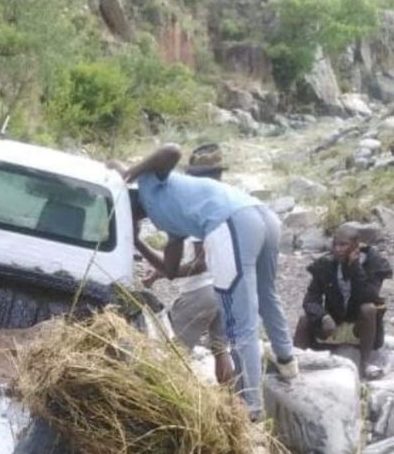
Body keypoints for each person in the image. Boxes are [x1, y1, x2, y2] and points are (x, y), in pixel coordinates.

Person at [116, 143, 297, 418]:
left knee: (239, 323)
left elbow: (172, 150)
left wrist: (130, 171)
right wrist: (137, 241)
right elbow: (171, 270)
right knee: (266, 294)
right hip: (261, 215)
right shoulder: (169, 218)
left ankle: (251, 407)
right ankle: (286, 361)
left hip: (231, 222)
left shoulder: (148, 182)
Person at [138, 144, 235, 385]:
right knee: (220, 349)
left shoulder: (200, 206)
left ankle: (173, 398)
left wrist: (141, 246)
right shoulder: (228, 205)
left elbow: (200, 263)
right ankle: (231, 401)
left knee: (175, 354)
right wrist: (160, 273)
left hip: (202, 292)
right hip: (226, 289)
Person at [293, 223, 391, 378]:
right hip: (334, 325)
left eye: (343, 245)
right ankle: (294, 365)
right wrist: (323, 317)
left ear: (356, 245)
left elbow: (371, 296)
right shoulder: (325, 265)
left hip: (359, 327)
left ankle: (364, 365)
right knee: (304, 319)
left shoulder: (372, 263)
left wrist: (355, 267)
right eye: (335, 244)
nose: (338, 249)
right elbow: (310, 300)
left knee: (369, 309)